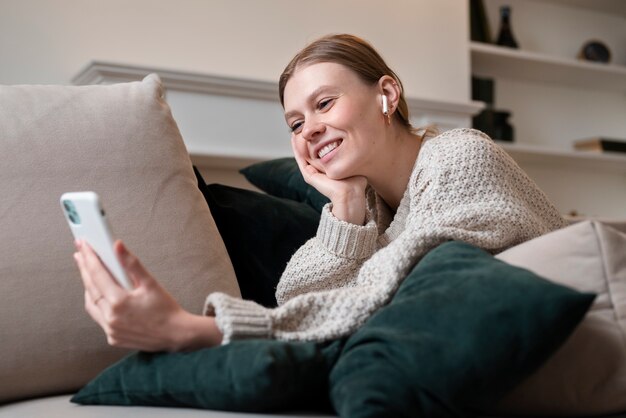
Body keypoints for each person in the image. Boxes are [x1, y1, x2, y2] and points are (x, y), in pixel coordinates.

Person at [73, 34, 568, 352]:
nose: (309, 129)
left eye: (325, 103)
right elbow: (299, 298)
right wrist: (347, 209)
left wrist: (202, 329)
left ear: (387, 95)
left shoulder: (458, 158)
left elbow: (395, 300)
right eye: (295, 122)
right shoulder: (371, 202)